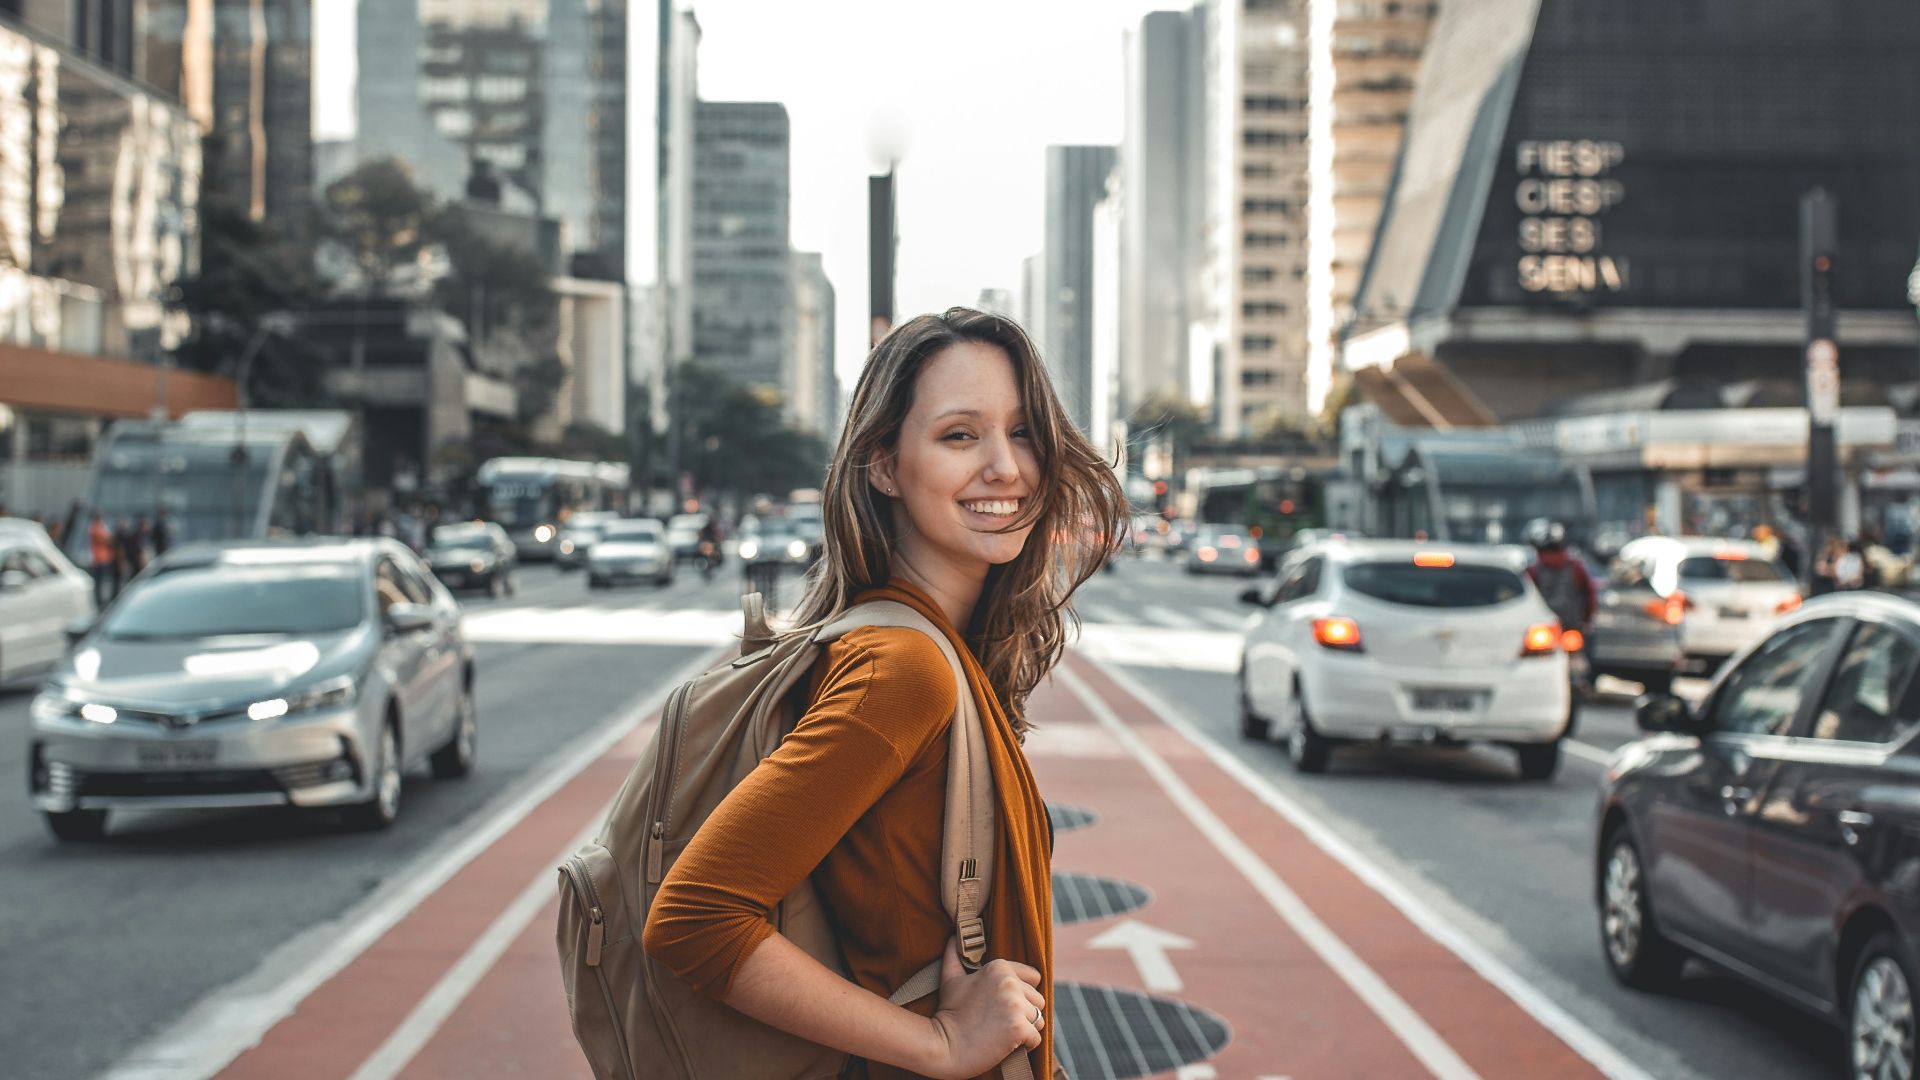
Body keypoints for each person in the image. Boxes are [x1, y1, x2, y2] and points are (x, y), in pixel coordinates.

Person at [642, 308, 1124, 1079]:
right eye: (960, 435)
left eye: (1024, 431)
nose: (1007, 467)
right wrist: (941, 1044)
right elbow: (694, 918)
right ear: (885, 466)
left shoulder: (929, 648)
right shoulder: (904, 668)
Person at [1524, 519, 1596, 689]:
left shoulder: (1533, 571)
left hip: (1545, 628)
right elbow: (1590, 596)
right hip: (1570, 627)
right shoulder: (1576, 568)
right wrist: (1586, 622)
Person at [88, 512, 115, 605]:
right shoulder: (96, 528)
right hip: (100, 559)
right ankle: (99, 601)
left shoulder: (97, 528)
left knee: (101, 582)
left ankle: (100, 600)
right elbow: (108, 540)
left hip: (101, 558)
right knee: (101, 582)